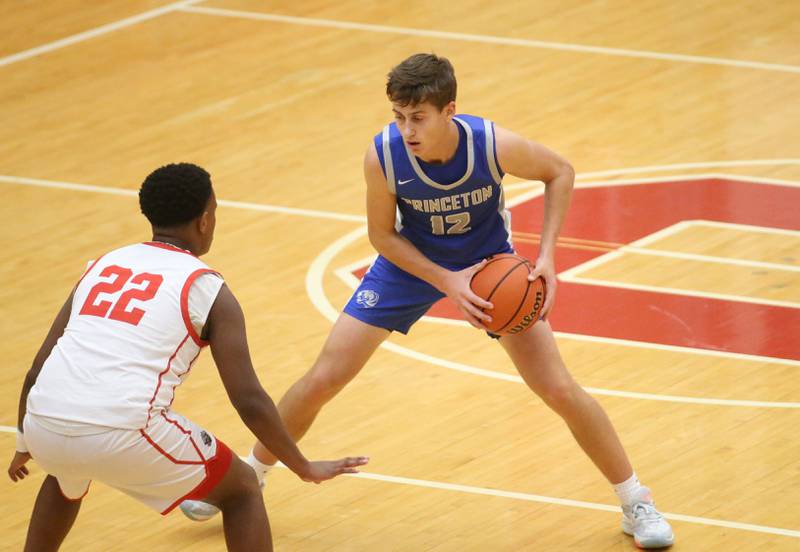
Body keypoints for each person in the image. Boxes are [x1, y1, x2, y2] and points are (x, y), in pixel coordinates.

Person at [181, 54, 675, 548]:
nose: (406, 128)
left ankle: (636, 500)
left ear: (449, 111)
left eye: (417, 117)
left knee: (558, 389)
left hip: (488, 269)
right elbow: (381, 235)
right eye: (399, 115)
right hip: (410, 265)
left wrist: (547, 257)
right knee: (325, 376)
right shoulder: (384, 155)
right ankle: (247, 478)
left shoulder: (490, 144)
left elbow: (560, 172)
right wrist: (446, 280)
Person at [7, 163, 368, 552]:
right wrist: (302, 465)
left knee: (64, 478)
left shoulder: (103, 265)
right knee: (243, 488)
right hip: (122, 426)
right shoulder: (206, 287)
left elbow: (37, 367)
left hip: (43, 421)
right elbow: (247, 398)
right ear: (205, 220)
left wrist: (26, 439)